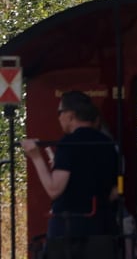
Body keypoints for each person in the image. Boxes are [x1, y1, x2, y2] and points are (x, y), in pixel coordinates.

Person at [22, 90, 118, 259]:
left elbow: (54, 189)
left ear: (70, 115)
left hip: (68, 230)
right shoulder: (109, 145)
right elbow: (115, 190)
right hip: (101, 228)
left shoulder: (69, 142)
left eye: (60, 112)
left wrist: (36, 157)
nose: (58, 117)